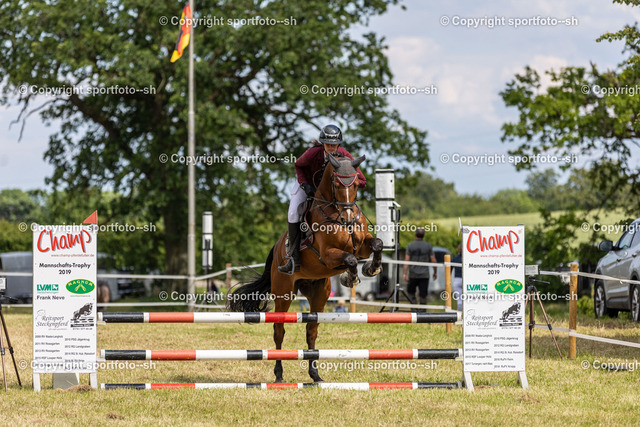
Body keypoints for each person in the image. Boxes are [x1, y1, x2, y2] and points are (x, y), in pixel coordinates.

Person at [278, 124, 366, 274]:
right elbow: (298, 165)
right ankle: (293, 257)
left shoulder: (344, 155)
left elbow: (362, 180)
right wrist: (304, 184)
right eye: (328, 144)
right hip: (307, 184)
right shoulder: (313, 153)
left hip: (329, 191)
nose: (331, 147)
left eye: (334, 144)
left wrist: (354, 182)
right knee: (293, 213)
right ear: (322, 143)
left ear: (339, 144)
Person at [402, 228, 437, 309]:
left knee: (411, 292)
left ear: (415, 235)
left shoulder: (410, 245)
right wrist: (435, 272)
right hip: (424, 275)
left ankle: (414, 309)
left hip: (413, 274)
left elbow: (407, 260)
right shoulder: (428, 246)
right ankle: (423, 311)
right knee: (423, 294)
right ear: (423, 235)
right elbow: (433, 260)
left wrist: (405, 273)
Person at [451, 243, 463, 311]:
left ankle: (459, 312)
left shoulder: (455, 259)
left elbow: (449, 270)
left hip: (457, 279)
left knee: (459, 299)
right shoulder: (468, 259)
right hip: (466, 279)